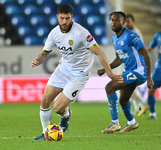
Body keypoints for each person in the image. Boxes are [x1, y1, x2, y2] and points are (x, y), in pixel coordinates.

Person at [31, 4, 122, 140]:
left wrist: (110, 73)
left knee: (57, 108)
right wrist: (38, 60)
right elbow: (45, 53)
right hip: (62, 70)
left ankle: (66, 115)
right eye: (61, 18)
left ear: (71, 16)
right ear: (57, 17)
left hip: (79, 75)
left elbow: (99, 52)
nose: (64, 22)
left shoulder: (81, 33)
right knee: (45, 100)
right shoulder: (54, 33)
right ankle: (46, 133)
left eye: (67, 18)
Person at [97, 11, 153, 133]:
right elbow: (119, 58)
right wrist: (106, 69)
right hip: (129, 72)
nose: (114, 22)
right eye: (112, 20)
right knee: (123, 100)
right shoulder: (114, 39)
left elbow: (147, 55)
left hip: (138, 72)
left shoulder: (131, 36)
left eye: (117, 20)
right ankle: (132, 122)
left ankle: (115, 123)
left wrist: (149, 77)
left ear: (123, 22)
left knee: (109, 87)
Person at [125, 14, 148, 117]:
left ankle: (144, 104)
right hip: (130, 63)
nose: (126, 23)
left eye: (128, 22)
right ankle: (138, 109)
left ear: (133, 22)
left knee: (128, 87)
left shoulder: (135, 33)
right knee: (131, 87)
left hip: (135, 64)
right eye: (125, 21)